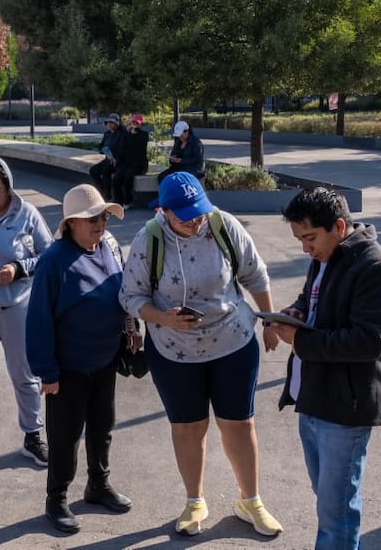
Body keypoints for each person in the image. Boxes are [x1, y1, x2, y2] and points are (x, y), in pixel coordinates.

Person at [119, 171, 283, 537]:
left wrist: (270, 322)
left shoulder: (223, 226)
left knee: (239, 423)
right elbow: (129, 296)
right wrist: (162, 317)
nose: (195, 220)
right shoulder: (150, 239)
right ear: (163, 210)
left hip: (233, 342)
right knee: (189, 427)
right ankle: (195, 501)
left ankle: (250, 500)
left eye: (198, 211)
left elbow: (256, 275)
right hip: (174, 350)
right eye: (185, 215)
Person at [266, 187, 381, 550]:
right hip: (314, 398)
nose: (305, 248)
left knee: (337, 511)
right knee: (328, 500)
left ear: (339, 226)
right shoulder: (326, 256)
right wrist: (296, 312)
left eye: (310, 238)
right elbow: (312, 299)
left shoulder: (377, 268)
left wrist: (300, 341)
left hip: (346, 409)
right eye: (299, 239)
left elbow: (369, 342)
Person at [26, 183, 137, 535]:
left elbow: (123, 295)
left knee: (103, 428)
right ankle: (56, 498)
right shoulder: (53, 262)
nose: (100, 223)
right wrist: (47, 372)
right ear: (71, 222)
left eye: (103, 216)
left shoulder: (108, 249)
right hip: (68, 368)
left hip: (104, 361)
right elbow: (39, 319)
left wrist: (132, 329)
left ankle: (98, 485)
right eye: (92, 218)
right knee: (64, 437)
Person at [0, 154, 52, 464]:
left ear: (8, 188)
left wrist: (19, 269)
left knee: (25, 374)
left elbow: (48, 254)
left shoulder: (26, 214)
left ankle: (32, 435)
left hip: (17, 307)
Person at [112, 113, 150, 209]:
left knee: (128, 177)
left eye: (137, 123)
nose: (135, 124)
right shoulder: (126, 134)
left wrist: (134, 132)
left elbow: (140, 147)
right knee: (117, 177)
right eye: (133, 122)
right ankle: (118, 201)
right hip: (126, 163)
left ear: (140, 124)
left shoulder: (143, 135)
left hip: (138, 165)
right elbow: (122, 149)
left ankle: (127, 201)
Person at [88, 113, 127, 201]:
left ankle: (107, 195)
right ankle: (103, 191)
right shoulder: (107, 134)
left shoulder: (122, 133)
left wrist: (116, 159)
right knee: (93, 170)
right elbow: (101, 146)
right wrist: (103, 150)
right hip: (108, 159)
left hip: (119, 161)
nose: (109, 124)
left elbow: (124, 149)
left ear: (117, 123)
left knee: (106, 171)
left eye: (112, 123)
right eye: (108, 123)